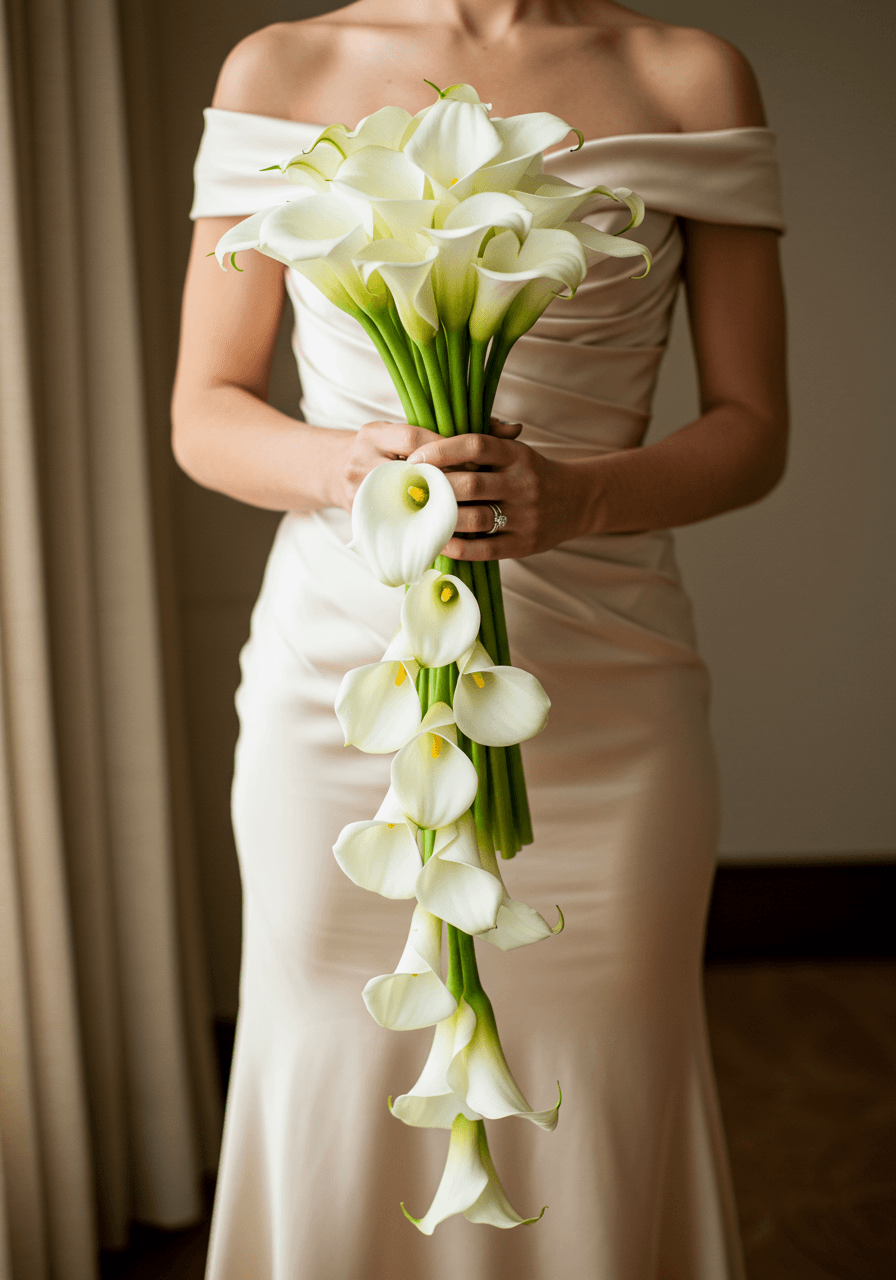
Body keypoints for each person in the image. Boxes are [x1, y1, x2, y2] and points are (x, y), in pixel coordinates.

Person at [173, 2, 787, 1276]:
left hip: (605, 680)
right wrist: (346, 466)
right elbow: (204, 413)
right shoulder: (281, 67)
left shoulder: (684, 73)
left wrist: (578, 497)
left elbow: (751, 425)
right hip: (339, 675)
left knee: (601, 1067)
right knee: (330, 1052)